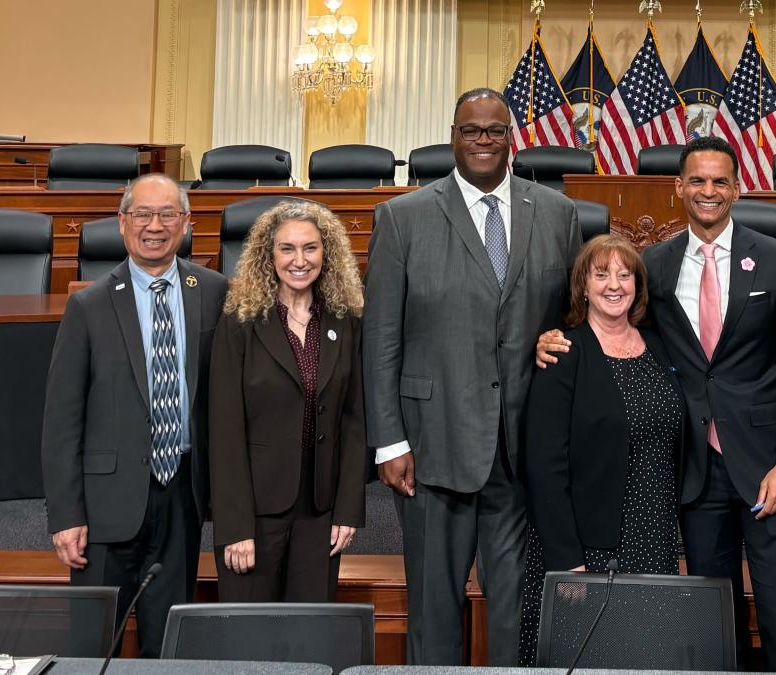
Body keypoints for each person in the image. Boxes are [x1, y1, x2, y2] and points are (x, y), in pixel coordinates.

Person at [537, 136, 776, 671]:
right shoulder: (655, 265)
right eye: (697, 180)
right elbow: (618, 330)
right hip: (694, 471)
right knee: (711, 620)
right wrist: (550, 339)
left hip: (769, 468)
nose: (708, 191)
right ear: (678, 188)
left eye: (720, 181)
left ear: (738, 188)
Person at [363, 87, 582, 666]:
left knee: (516, 612)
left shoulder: (557, 214)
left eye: (495, 130)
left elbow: (572, 322)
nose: (483, 141)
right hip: (432, 446)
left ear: (513, 138)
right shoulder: (402, 216)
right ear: (453, 137)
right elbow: (382, 337)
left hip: (522, 449)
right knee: (433, 613)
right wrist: (390, 440)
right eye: (471, 130)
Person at [41, 173, 228, 657]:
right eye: (143, 214)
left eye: (168, 214)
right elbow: (62, 422)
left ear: (186, 223)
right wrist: (65, 515)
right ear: (123, 223)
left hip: (182, 497)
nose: (155, 226)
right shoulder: (89, 305)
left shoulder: (213, 292)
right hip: (104, 509)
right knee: (90, 647)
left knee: (167, 646)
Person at [519, 234, 687, 663]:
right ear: (583, 285)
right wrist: (566, 561)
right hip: (587, 548)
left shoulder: (658, 345)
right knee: (588, 659)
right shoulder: (562, 353)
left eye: (625, 274)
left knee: (645, 657)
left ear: (638, 285)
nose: (614, 285)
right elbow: (543, 465)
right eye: (601, 274)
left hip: (653, 539)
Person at [208, 199, 369, 603]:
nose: (300, 260)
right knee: (249, 639)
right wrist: (234, 527)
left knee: (308, 636)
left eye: (310, 248)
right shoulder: (240, 320)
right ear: (269, 255)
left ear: (326, 253)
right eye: (287, 248)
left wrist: (348, 510)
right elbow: (224, 428)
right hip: (255, 512)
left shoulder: (344, 319)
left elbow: (353, 420)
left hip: (321, 509)